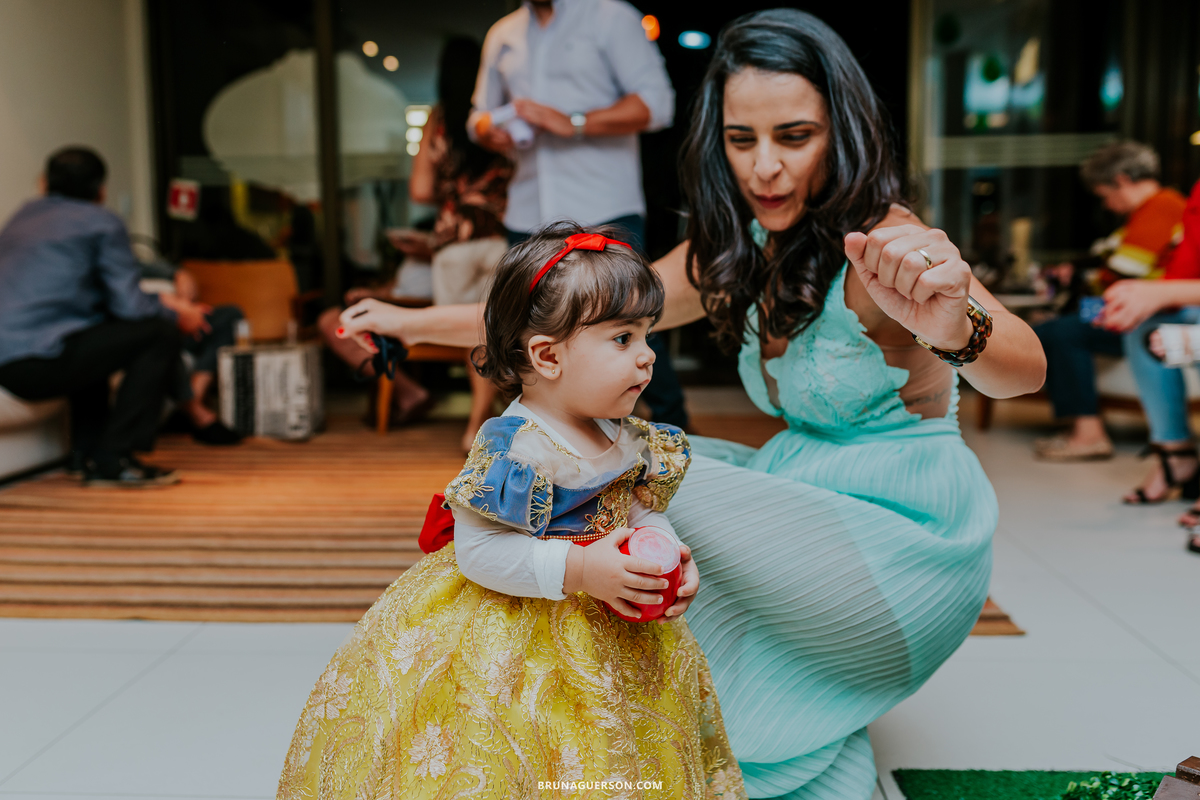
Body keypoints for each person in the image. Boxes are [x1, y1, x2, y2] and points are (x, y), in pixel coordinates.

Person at [336, 11, 1045, 798]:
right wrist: (408, 322)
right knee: (622, 488)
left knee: (616, 472)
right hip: (811, 495)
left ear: (840, 132)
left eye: (795, 136)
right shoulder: (739, 244)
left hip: (905, 534)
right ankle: (610, 743)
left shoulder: (886, 239)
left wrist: (959, 326)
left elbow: (1024, 369)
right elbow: (561, 317)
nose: (765, 168)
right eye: (742, 141)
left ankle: (578, 747)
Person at [278, 223, 746, 798]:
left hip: (618, 631)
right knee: (528, 751)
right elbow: (479, 552)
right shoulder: (518, 449)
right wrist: (580, 571)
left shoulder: (624, 435)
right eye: (623, 339)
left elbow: (638, 509)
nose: (648, 356)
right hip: (521, 635)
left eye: (646, 334)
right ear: (547, 355)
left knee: (623, 745)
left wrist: (664, 547)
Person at [468, 0, 690, 430]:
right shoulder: (503, 33)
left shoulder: (612, 17)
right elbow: (477, 114)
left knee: (632, 326)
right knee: (525, 333)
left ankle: (673, 430)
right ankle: (533, 439)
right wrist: (486, 129)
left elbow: (657, 105)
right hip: (529, 210)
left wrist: (571, 121)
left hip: (604, 207)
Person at [0, 147, 211, 487]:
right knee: (160, 333)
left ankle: (85, 455)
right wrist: (174, 312)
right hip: (37, 362)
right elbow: (130, 306)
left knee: (92, 337)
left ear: (44, 183)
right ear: (100, 189)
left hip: (8, 360)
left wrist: (162, 301)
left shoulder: (22, 217)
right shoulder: (100, 220)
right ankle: (116, 458)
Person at [1032, 142, 1187, 463]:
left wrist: (1084, 278)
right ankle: (1085, 427)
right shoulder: (1145, 213)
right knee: (1056, 326)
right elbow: (1106, 260)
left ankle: (1088, 434)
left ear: (1121, 180)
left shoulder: (1162, 206)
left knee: (1059, 332)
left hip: (1155, 315)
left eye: (1105, 195)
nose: (1109, 205)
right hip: (1144, 310)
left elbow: (1121, 270)